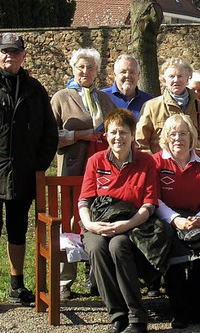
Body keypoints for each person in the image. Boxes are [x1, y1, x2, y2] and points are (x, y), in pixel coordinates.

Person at [0, 32, 58, 314]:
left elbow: (49, 135)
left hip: (23, 175)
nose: (10, 56)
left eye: (15, 52)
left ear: (23, 56)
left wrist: (37, 165)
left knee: (18, 228)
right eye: (5, 51)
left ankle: (18, 285)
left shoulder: (35, 89)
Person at [79, 109, 159, 333]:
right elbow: (84, 200)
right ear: (105, 135)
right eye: (113, 132)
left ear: (133, 135)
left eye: (123, 132)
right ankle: (117, 315)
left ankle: (137, 317)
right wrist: (90, 225)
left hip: (132, 225)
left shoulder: (146, 162)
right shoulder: (96, 161)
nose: (118, 138)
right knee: (95, 247)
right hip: (98, 223)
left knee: (118, 245)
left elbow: (149, 204)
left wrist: (126, 225)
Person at [51, 48, 117, 299]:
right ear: (72, 68)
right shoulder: (61, 98)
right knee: (69, 221)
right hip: (72, 170)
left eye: (90, 67)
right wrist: (79, 136)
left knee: (98, 219)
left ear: (97, 71)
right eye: (80, 66)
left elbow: (117, 129)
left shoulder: (105, 99)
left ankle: (96, 279)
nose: (85, 71)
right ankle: (65, 282)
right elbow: (49, 137)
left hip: (102, 173)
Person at [153, 114, 200, 329]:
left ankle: (198, 305)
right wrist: (175, 220)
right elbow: (153, 198)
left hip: (196, 218)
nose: (177, 138)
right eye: (172, 134)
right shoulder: (155, 162)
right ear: (165, 137)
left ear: (192, 138)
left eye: (183, 133)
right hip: (167, 219)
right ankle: (179, 310)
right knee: (174, 251)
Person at [136, 57, 200, 157]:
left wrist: (192, 154)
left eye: (180, 76)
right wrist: (153, 163)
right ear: (164, 80)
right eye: (171, 76)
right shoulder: (152, 107)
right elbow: (140, 142)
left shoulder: (198, 107)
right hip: (160, 168)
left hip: (189, 166)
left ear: (188, 79)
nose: (176, 80)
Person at [102, 54, 153, 121]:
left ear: (138, 76)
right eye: (123, 72)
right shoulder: (102, 97)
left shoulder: (149, 101)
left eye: (132, 72)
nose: (128, 76)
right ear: (115, 75)